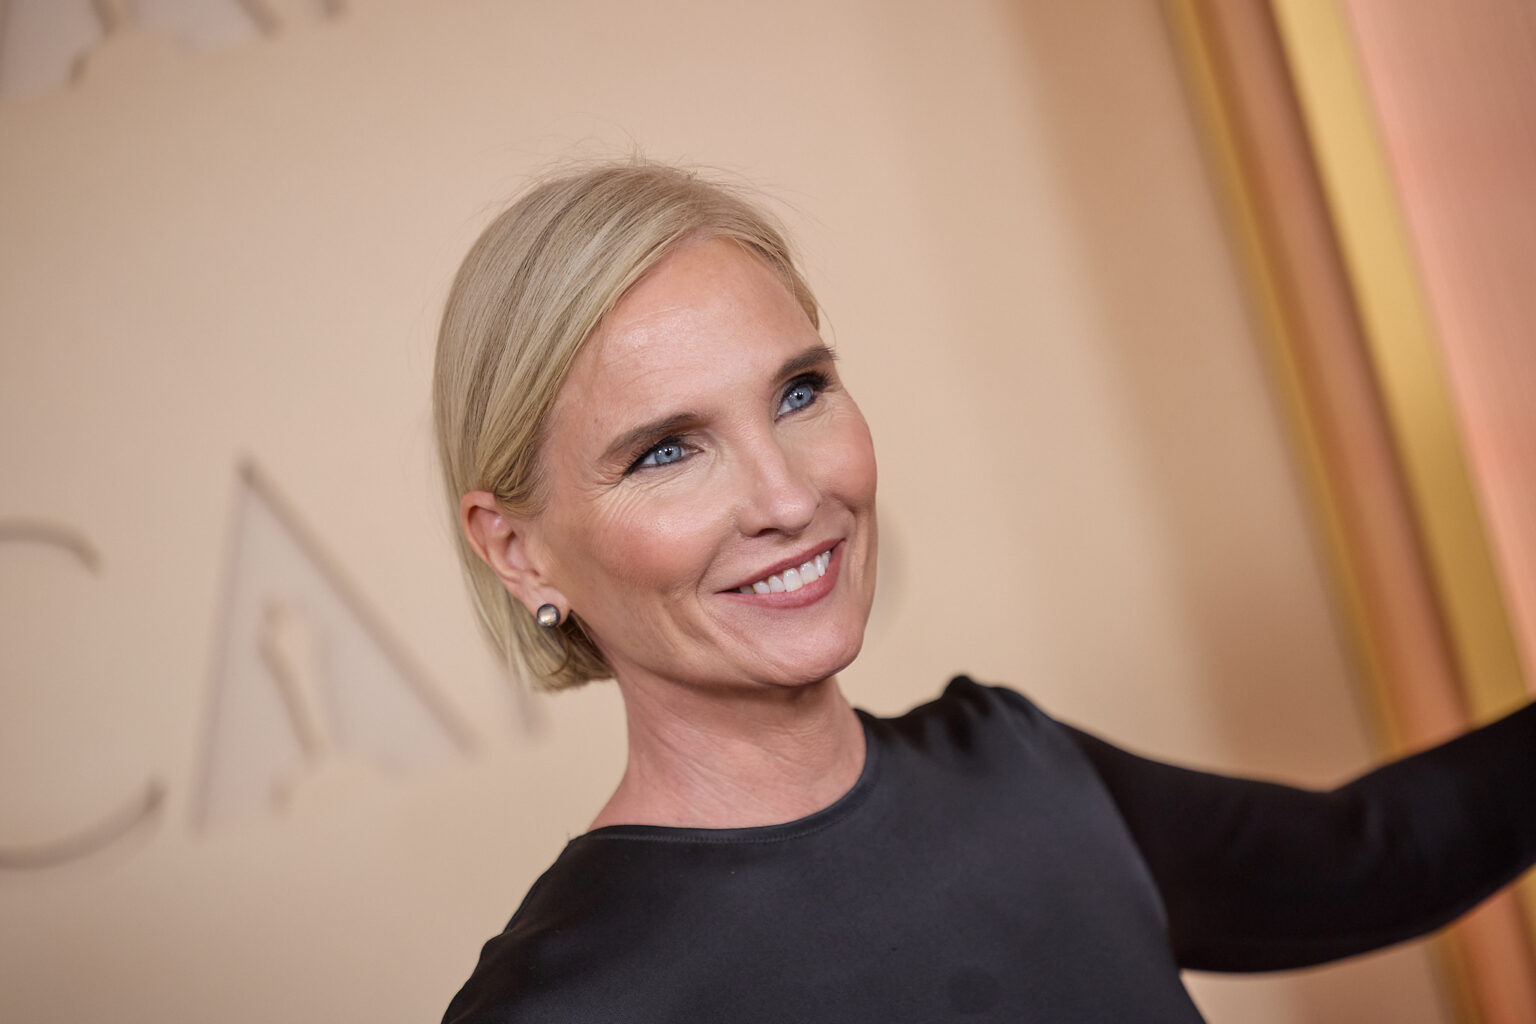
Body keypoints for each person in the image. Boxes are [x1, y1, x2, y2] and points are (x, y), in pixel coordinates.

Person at [434, 161, 1536, 1023]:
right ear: (517, 548)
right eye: (667, 451)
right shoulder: (561, 1004)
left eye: (800, 391)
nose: (786, 492)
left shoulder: (1017, 766)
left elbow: (1376, 856)